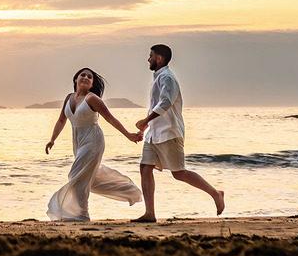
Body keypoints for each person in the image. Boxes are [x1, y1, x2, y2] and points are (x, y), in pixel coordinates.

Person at [132, 44, 225, 221]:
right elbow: (155, 106)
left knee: (179, 173)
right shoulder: (158, 77)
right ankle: (150, 213)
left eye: (150, 55)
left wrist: (145, 121)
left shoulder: (167, 77)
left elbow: (165, 103)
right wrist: (145, 128)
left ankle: (216, 194)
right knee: (145, 167)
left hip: (169, 132)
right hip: (155, 133)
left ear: (159, 59)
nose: (148, 59)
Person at [45, 67, 143, 221]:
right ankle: (129, 190)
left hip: (93, 141)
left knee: (75, 175)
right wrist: (52, 139)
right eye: (82, 75)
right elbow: (61, 120)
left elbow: (111, 119)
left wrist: (129, 135)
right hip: (78, 142)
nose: (85, 77)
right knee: (89, 177)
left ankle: (82, 214)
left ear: (92, 84)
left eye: (89, 77)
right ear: (75, 79)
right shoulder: (69, 98)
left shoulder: (92, 99)